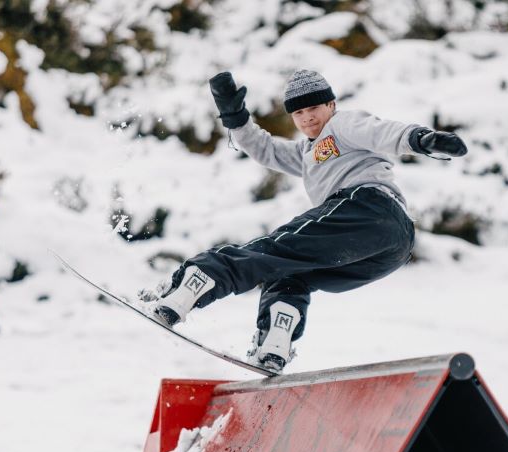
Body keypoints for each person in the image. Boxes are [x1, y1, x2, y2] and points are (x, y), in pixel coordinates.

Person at [143, 69, 467, 372]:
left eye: (314, 108)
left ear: (331, 104)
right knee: (292, 274)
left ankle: (195, 282)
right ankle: (275, 342)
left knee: (270, 252)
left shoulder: (342, 126)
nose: (308, 117)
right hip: (388, 250)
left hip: (369, 207)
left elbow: (377, 131)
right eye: (298, 113)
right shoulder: (307, 153)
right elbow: (263, 148)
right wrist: (235, 116)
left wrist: (422, 139)